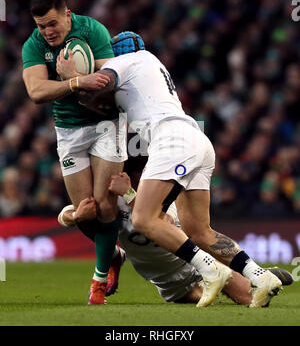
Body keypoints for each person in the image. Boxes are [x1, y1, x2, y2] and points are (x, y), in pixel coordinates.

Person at [76, 31, 283, 307]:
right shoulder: (151, 65)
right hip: (195, 137)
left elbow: (97, 89)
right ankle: (260, 275)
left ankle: (212, 271)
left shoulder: (127, 62)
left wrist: (73, 79)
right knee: (200, 231)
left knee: (144, 218)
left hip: (171, 139)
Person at [22, 0, 128, 305]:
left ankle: (97, 285)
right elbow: (35, 90)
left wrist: (83, 78)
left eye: (52, 23)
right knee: (86, 213)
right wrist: (76, 82)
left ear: (67, 14)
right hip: (69, 131)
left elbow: (111, 86)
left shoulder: (92, 30)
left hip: (106, 125)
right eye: (42, 26)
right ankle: (114, 255)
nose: (48, 31)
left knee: (105, 204)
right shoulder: (34, 44)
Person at [57, 172, 293, 306]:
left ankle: (259, 276)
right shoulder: (106, 204)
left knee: (251, 301)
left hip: (195, 263)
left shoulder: (157, 199)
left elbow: (162, 222)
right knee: (204, 299)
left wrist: (129, 194)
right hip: (168, 281)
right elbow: (63, 215)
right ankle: (263, 274)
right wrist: (76, 215)